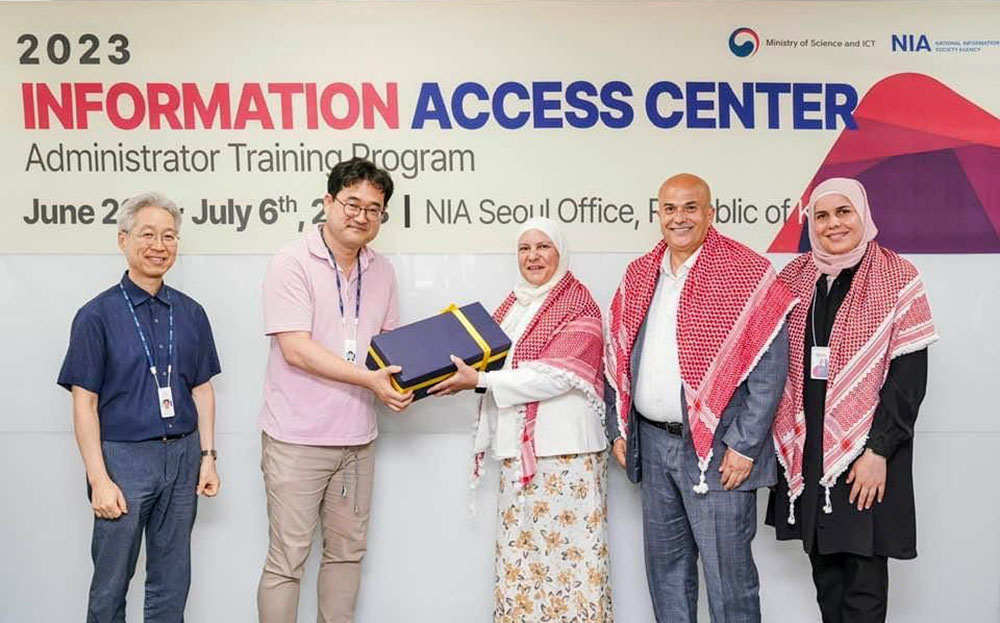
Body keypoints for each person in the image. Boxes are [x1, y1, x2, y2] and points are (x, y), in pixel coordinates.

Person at [605, 174, 795, 623]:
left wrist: (744, 446)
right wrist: (619, 429)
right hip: (653, 445)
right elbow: (617, 353)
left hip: (720, 451)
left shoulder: (746, 272)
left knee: (729, 582)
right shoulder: (640, 274)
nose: (680, 218)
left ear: (711, 213)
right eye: (670, 209)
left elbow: (770, 372)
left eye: (690, 207)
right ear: (659, 215)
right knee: (667, 577)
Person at [768, 178, 938, 623]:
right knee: (826, 578)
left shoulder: (897, 277)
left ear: (862, 214)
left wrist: (878, 451)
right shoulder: (795, 278)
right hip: (811, 451)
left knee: (863, 585)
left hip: (867, 456)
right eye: (821, 216)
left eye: (843, 212)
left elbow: (908, 380)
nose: (833, 224)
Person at [429, 217, 612, 622]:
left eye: (543, 247)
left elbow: (554, 376)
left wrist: (479, 380)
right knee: (523, 566)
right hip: (519, 456)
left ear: (561, 252)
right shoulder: (514, 305)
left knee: (571, 568)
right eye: (524, 248)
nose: (533, 256)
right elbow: (492, 359)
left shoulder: (579, 304)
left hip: (566, 458)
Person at [257, 158, 412, 623]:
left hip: (357, 440)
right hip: (297, 439)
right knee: (287, 561)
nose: (362, 216)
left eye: (373, 209)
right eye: (352, 203)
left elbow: (388, 348)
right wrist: (369, 380)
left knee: (347, 555)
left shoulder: (382, 271)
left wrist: (422, 380)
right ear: (328, 202)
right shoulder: (291, 262)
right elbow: (296, 350)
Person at [57, 192, 221, 623]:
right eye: (147, 235)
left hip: (183, 457)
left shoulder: (191, 313)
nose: (159, 246)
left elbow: (202, 389)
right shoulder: (95, 316)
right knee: (111, 582)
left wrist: (208, 457)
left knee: (173, 581)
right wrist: (99, 479)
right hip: (123, 461)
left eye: (169, 236)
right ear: (123, 239)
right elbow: (84, 402)